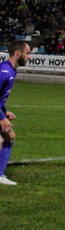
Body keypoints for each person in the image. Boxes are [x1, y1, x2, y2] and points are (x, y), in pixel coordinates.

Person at [0, 41, 30, 185]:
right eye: (27, 53)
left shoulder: (12, 70)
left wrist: (5, 111)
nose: (29, 56)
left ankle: (0, 175)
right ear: (17, 53)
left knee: (9, 136)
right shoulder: (4, 72)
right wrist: (1, 118)